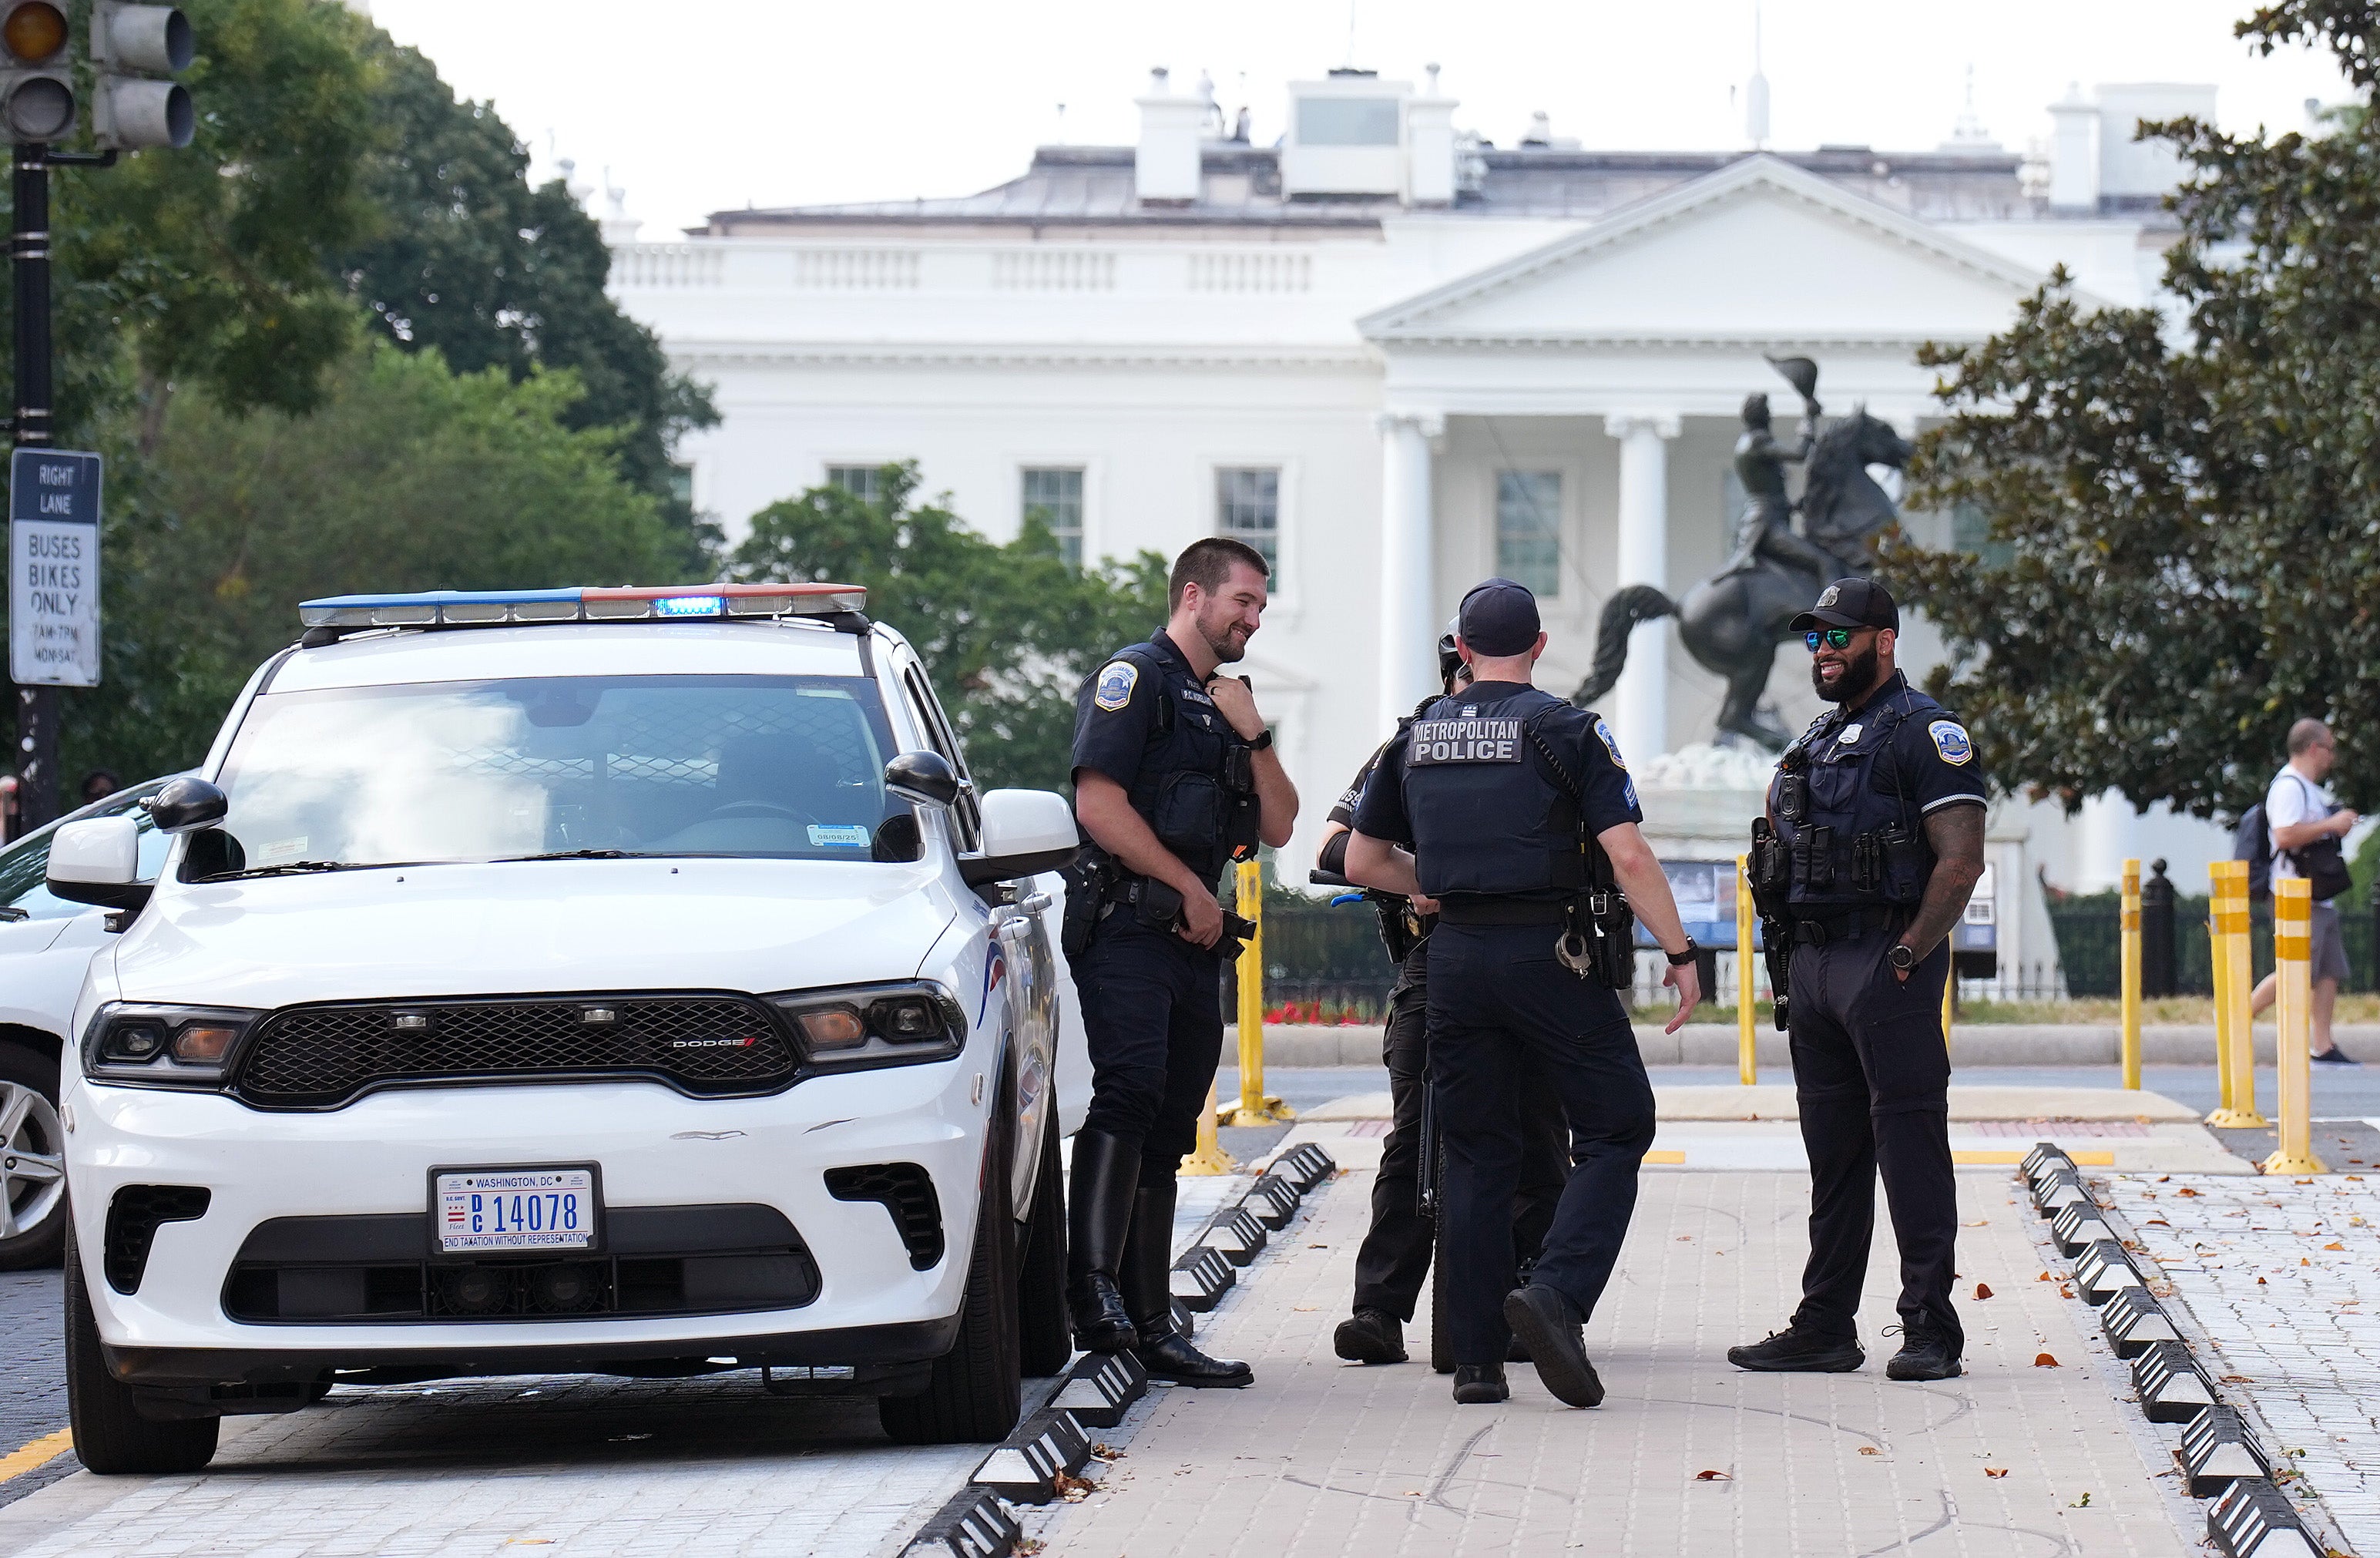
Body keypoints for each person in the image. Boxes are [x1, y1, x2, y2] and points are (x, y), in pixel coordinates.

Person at [1346, 578, 1700, 1409]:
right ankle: (1554, 1294)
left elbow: (1361, 861)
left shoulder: (1416, 736)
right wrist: (1680, 953)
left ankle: (1474, 1363)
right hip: (1549, 953)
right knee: (1618, 1124)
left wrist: (1429, 885)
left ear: (1461, 653)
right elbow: (1630, 858)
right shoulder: (1565, 730)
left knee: (1474, 1151)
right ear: (1539, 646)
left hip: (1455, 958)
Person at [1730, 578, 1986, 1383]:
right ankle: (1824, 1325)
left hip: (1884, 959)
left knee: (1907, 1143)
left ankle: (1927, 1329)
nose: (1824, 650)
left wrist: (1909, 953)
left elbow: (1960, 857)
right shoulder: (1816, 737)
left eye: (1838, 636)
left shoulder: (1924, 730)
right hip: (1812, 965)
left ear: (1883, 640)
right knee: (1832, 1155)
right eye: (1813, 639)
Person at [1064, 536, 1299, 1386]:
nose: (1253, 618)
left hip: (1195, 945)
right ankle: (1091, 1296)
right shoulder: (1135, 680)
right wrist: (1183, 887)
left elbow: (1278, 825)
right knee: (1126, 1094)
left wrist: (1257, 732)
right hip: (1131, 929)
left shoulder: (1221, 703)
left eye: (1260, 606)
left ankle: (1151, 1325)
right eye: (1241, 601)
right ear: (1193, 596)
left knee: (1167, 1125)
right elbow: (1098, 803)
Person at [1323, 623, 1569, 1368]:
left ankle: (1528, 1295)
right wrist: (1419, 874)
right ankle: (1379, 1309)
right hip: (1433, 965)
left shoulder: (1545, 734)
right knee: (1411, 1140)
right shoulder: (1412, 742)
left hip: (1524, 962)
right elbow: (1335, 847)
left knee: (1535, 1135)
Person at [2247, 719, 2360, 1063]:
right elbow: (2285, 835)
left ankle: (2322, 1044)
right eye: (2329, 748)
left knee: (2329, 970)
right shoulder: (2288, 788)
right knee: (2294, 970)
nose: (2332, 756)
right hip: (2293, 894)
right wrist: (2330, 824)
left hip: (2317, 895)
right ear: (2313, 748)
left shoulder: (2310, 789)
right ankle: (2236, 1018)